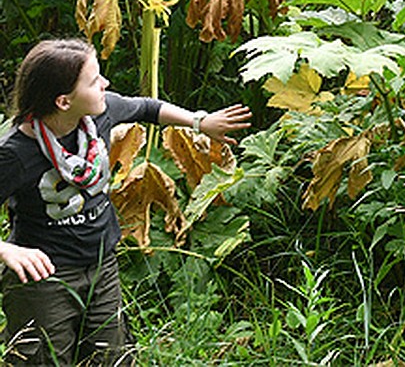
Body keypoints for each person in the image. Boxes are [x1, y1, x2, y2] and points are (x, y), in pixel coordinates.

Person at [0, 38, 252, 365]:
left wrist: (200, 122)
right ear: (63, 101)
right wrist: (7, 249)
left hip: (102, 265)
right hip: (44, 280)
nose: (105, 84)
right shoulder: (14, 154)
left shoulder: (100, 115)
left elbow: (147, 107)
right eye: (94, 81)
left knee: (114, 358)